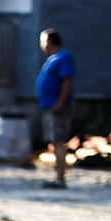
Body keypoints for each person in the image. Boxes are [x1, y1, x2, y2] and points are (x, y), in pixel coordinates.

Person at [37, 29, 76, 188]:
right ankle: (57, 177)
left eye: (42, 41)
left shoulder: (64, 57)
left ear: (49, 41)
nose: (41, 45)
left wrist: (60, 103)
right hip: (48, 105)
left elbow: (67, 80)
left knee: (59, 141)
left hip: (57, 106)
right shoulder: (52, 59)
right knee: (54, 142)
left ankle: (60, 179)